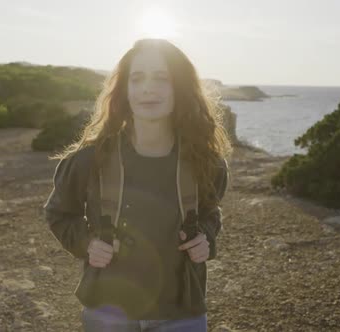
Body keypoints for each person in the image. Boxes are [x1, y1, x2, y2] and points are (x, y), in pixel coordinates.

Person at [43, 38, 231, 332]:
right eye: (137, 78)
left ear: (178, 88)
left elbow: (210, 212)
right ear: (125, 90)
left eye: (161, 78)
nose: (148, 89)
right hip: (108, 311)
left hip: (182, 313)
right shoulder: (87, 161)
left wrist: (205, 237)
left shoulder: (208, 163)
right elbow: (58, 213)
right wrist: (86, 243)